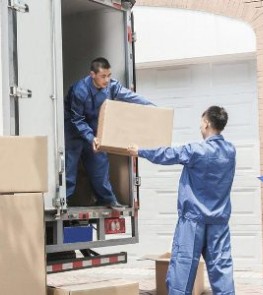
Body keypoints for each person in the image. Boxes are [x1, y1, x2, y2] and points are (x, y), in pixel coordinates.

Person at [126, 106, 236, 295]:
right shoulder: (230, 151)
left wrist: (140, 151)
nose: (200, 127)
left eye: (201, 122)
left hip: (193, 221)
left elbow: (168, 155)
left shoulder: (196, 150)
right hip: (219, 221)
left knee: (182, 271)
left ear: (207, 123)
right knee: (222, 270)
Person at [65, 57, 154, 210]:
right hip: (74, 129)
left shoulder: (111, 86)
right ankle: (64, 200)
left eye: (109, 75)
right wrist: (90, 137)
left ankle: (106, 200)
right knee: (70, 165)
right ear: (92, 75)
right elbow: (77, 118)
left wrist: (151, 106)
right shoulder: (80, 90)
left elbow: (129, 96)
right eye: (103, 76)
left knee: (99, 163)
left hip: (94, 128)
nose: (107, 80)